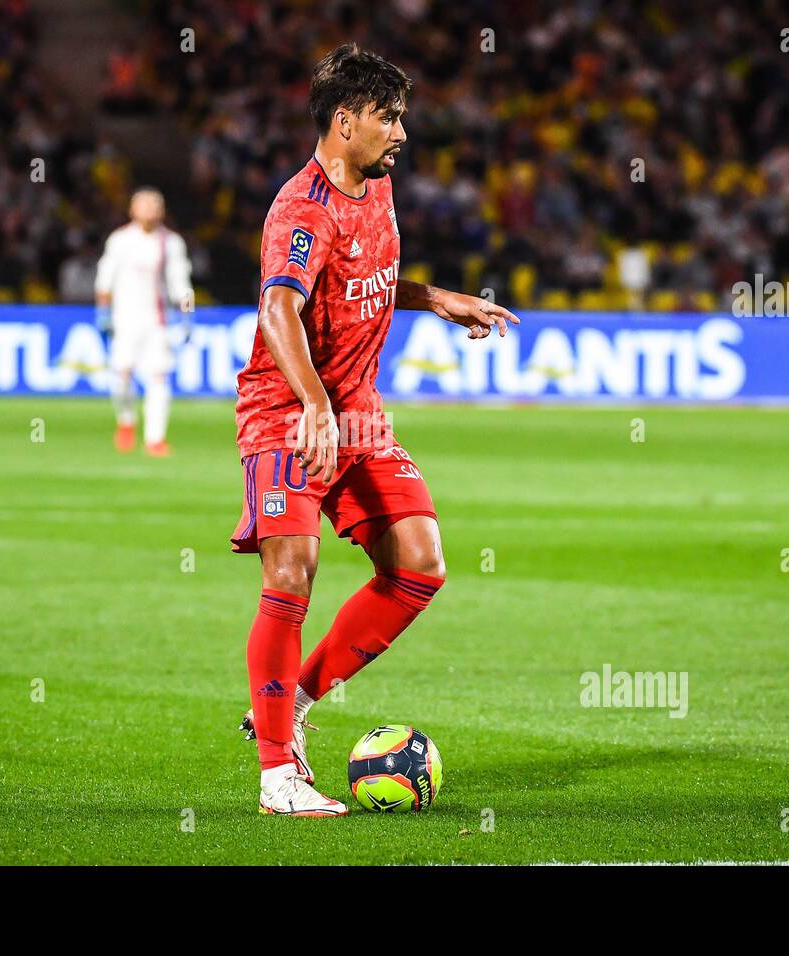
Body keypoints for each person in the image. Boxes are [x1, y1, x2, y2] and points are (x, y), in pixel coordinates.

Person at [231, 44, 519, 816]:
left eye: (402, 117)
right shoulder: (302, 210)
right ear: (343, 121)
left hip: (355, 410)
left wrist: (437, 298)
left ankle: (291, 701)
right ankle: (276, 779)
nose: (401, 132)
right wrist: (315, 405)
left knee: (419, 565)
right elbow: (279, 308)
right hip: (290, 413)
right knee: (290, 574)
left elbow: (371, 281)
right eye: (388, 118)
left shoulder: (377, 190)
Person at [94, 188, 194, 456]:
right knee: (122, 375)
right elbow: (106, 277)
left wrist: (187, 314)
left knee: (158, 376)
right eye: (143, 204)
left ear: (162, 211)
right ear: (132, 209)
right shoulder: (120, 240)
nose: (149, 209)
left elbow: (180, 283)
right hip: (124, 320)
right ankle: (126, 421)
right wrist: (102, 311)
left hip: (157, 321)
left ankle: (155, 438)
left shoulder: (171, 243)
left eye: (154, 205)